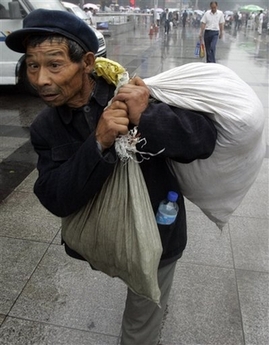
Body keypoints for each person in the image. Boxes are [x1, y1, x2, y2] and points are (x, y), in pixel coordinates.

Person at [6, 9, 217, 345]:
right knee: (128, 274)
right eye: (33, 65)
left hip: (157, 233)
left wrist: (145, 117)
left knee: (141, 325)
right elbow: (55, 197)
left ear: (87, 62)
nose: (42, 78)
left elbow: (203, 140)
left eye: (54, 64)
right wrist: (98, 143)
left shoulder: (131, 92)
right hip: (101, 241)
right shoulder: (47, 127)